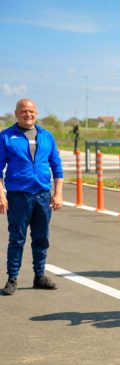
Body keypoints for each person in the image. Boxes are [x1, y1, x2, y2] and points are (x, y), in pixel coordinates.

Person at [0, 99, 63, 295]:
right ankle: (12, 278)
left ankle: (39, 276)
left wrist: (58, 193)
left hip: (42, 195)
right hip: (19, 196)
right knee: (17, 239)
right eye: (24, 111)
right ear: (16, 114)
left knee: (41, 238)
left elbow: (56, 166)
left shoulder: (46, 135)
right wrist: (1, 195)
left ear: (36, 113)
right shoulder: (6, 136)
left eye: (31, 111)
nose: (28, 114)